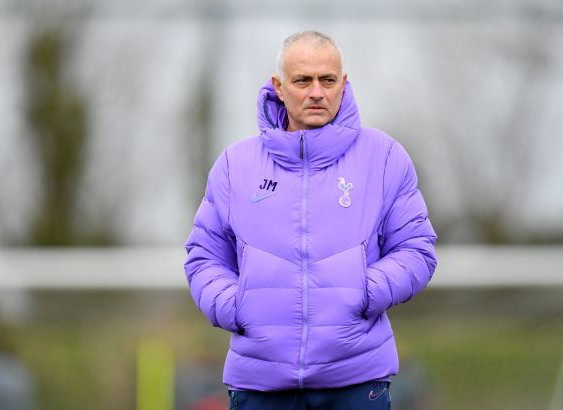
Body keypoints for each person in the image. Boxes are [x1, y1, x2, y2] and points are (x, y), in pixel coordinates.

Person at [184, 31, 437, 410]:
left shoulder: (384, 157)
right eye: (303, 80)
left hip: (356, 378)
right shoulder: (235, 165)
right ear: (279, 86)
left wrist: (364, 291)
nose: (317, 92)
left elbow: (416, 250)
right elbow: (204, 257)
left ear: (343, 83)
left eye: (327, 80)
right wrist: (237, 306)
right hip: (260, 382)